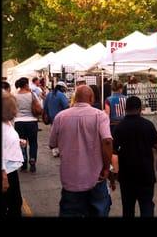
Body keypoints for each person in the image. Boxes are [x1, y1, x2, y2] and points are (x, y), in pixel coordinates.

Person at [49, 85, 113, 217]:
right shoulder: (100, 116)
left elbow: (52, 144)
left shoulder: (61, 117)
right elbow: (107, 141)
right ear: (91, 98)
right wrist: (106, 168)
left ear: (75, 98)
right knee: (98, 211)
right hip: (96, 176)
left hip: (71, 179)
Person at [112, 95, 157, 217]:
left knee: (128, 208)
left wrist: (114, 173)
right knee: (147, 205)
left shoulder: (119, 127)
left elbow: (113, 151)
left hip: (127, 175)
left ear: (125, 109)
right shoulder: (148, 125)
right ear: (140, 109)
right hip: (146, 173)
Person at [2, 92, 24, 218]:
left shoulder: (7, 123)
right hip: (5, 171)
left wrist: (18, 141)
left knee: (15, 203)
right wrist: (3, 175)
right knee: (12, 204)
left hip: (10, 169)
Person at [14, 77, 40, 173]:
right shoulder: (32, 95)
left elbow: (13, 110)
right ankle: (32, 159)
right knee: (33, 143)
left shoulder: (14, 96)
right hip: (32, 122)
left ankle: (24, 163)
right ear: (26, 85)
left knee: (22, 143)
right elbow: (39, 106)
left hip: (19, 122)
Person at [43, 81, 70, 157]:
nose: (65, 90)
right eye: (64, 88)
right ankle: (60, 149)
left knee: (53, 133)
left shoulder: (49, 94)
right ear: (61, 88)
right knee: (61, 134)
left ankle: (54, 150)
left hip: (51, 118)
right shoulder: (61, 95)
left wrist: (46, 114)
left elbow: (45, 106)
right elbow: (66, 106)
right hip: (61, 118)